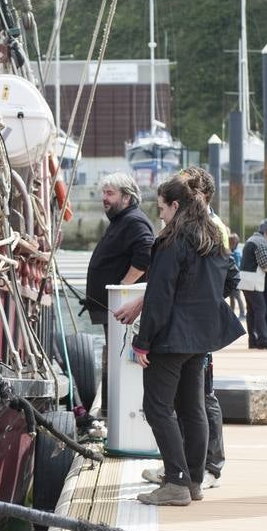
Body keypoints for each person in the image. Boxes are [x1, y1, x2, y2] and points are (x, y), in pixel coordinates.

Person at [130, 173, 245, 506]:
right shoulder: (215, 238)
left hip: (171, 337)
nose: (160, 215)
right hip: (201, 336)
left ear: (176, 205)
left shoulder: (172, 240)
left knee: (157, 408)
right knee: (192, 408)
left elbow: (160, 295)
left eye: (162, 208)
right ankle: (193, 480)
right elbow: (228, 283)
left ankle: (176, 481)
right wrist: (200, 299)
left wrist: (143, 341)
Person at [84, 172, 155, 411]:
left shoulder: (134, 221)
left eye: (110, 193)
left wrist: (124, 286)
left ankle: (121, 412)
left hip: (121, 308)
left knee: (122, 358)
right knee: (115, 358)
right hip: (112, 308)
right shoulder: (122, 221)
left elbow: (146, 252)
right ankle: (113, 410)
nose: (104, 198)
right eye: (104, 193)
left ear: (127, 197)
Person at [240, 219, 267, 349]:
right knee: (260, 309)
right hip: (254, 282)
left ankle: (252, 340)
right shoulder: (261, 242)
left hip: (245, 280)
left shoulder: (251, 239)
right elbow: (265, 264)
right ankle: (263, 339)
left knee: (251, 311)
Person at [228, 232, 245, 319]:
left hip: (235, 277)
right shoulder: (236, 251)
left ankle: (242, 313)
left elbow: (236, 266)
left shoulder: (235, 253)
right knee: (232, 296)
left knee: (237, 296)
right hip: (233, 277)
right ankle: (232, 313)